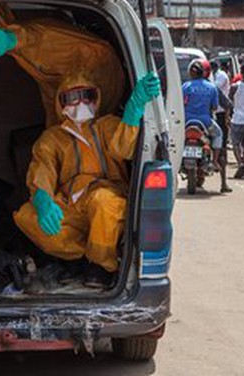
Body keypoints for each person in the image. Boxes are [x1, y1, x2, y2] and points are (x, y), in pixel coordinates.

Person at [13, 72, 160, 289]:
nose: (80, 103)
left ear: (96, 98)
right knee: (28, 216)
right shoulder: (52, 138)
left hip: (107, 194)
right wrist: (43, 199)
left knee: (104, 202)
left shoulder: (107, 126)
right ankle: (80, 259)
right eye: (72, 98)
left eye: (87, 96)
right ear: (61, 103)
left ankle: (101, 266)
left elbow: (124, 148)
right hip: (71, 202)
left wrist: (133, 110)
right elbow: (42, 170)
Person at [0, 0, 125, 126]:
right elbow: (50, 88)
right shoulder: (19, 54)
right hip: (73, 95)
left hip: (101, 72)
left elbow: (35, 37)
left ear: (2, 17)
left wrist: (13, 39)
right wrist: (54, 127)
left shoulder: (35, 31)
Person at [183, 59, 230, 193]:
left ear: (191, 73)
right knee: (219, 134)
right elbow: (215, 107)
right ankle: (214, 161)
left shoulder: (186, 86)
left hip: (186, 121)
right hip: (206, 122)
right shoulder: (212, 87)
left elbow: (182, 103)